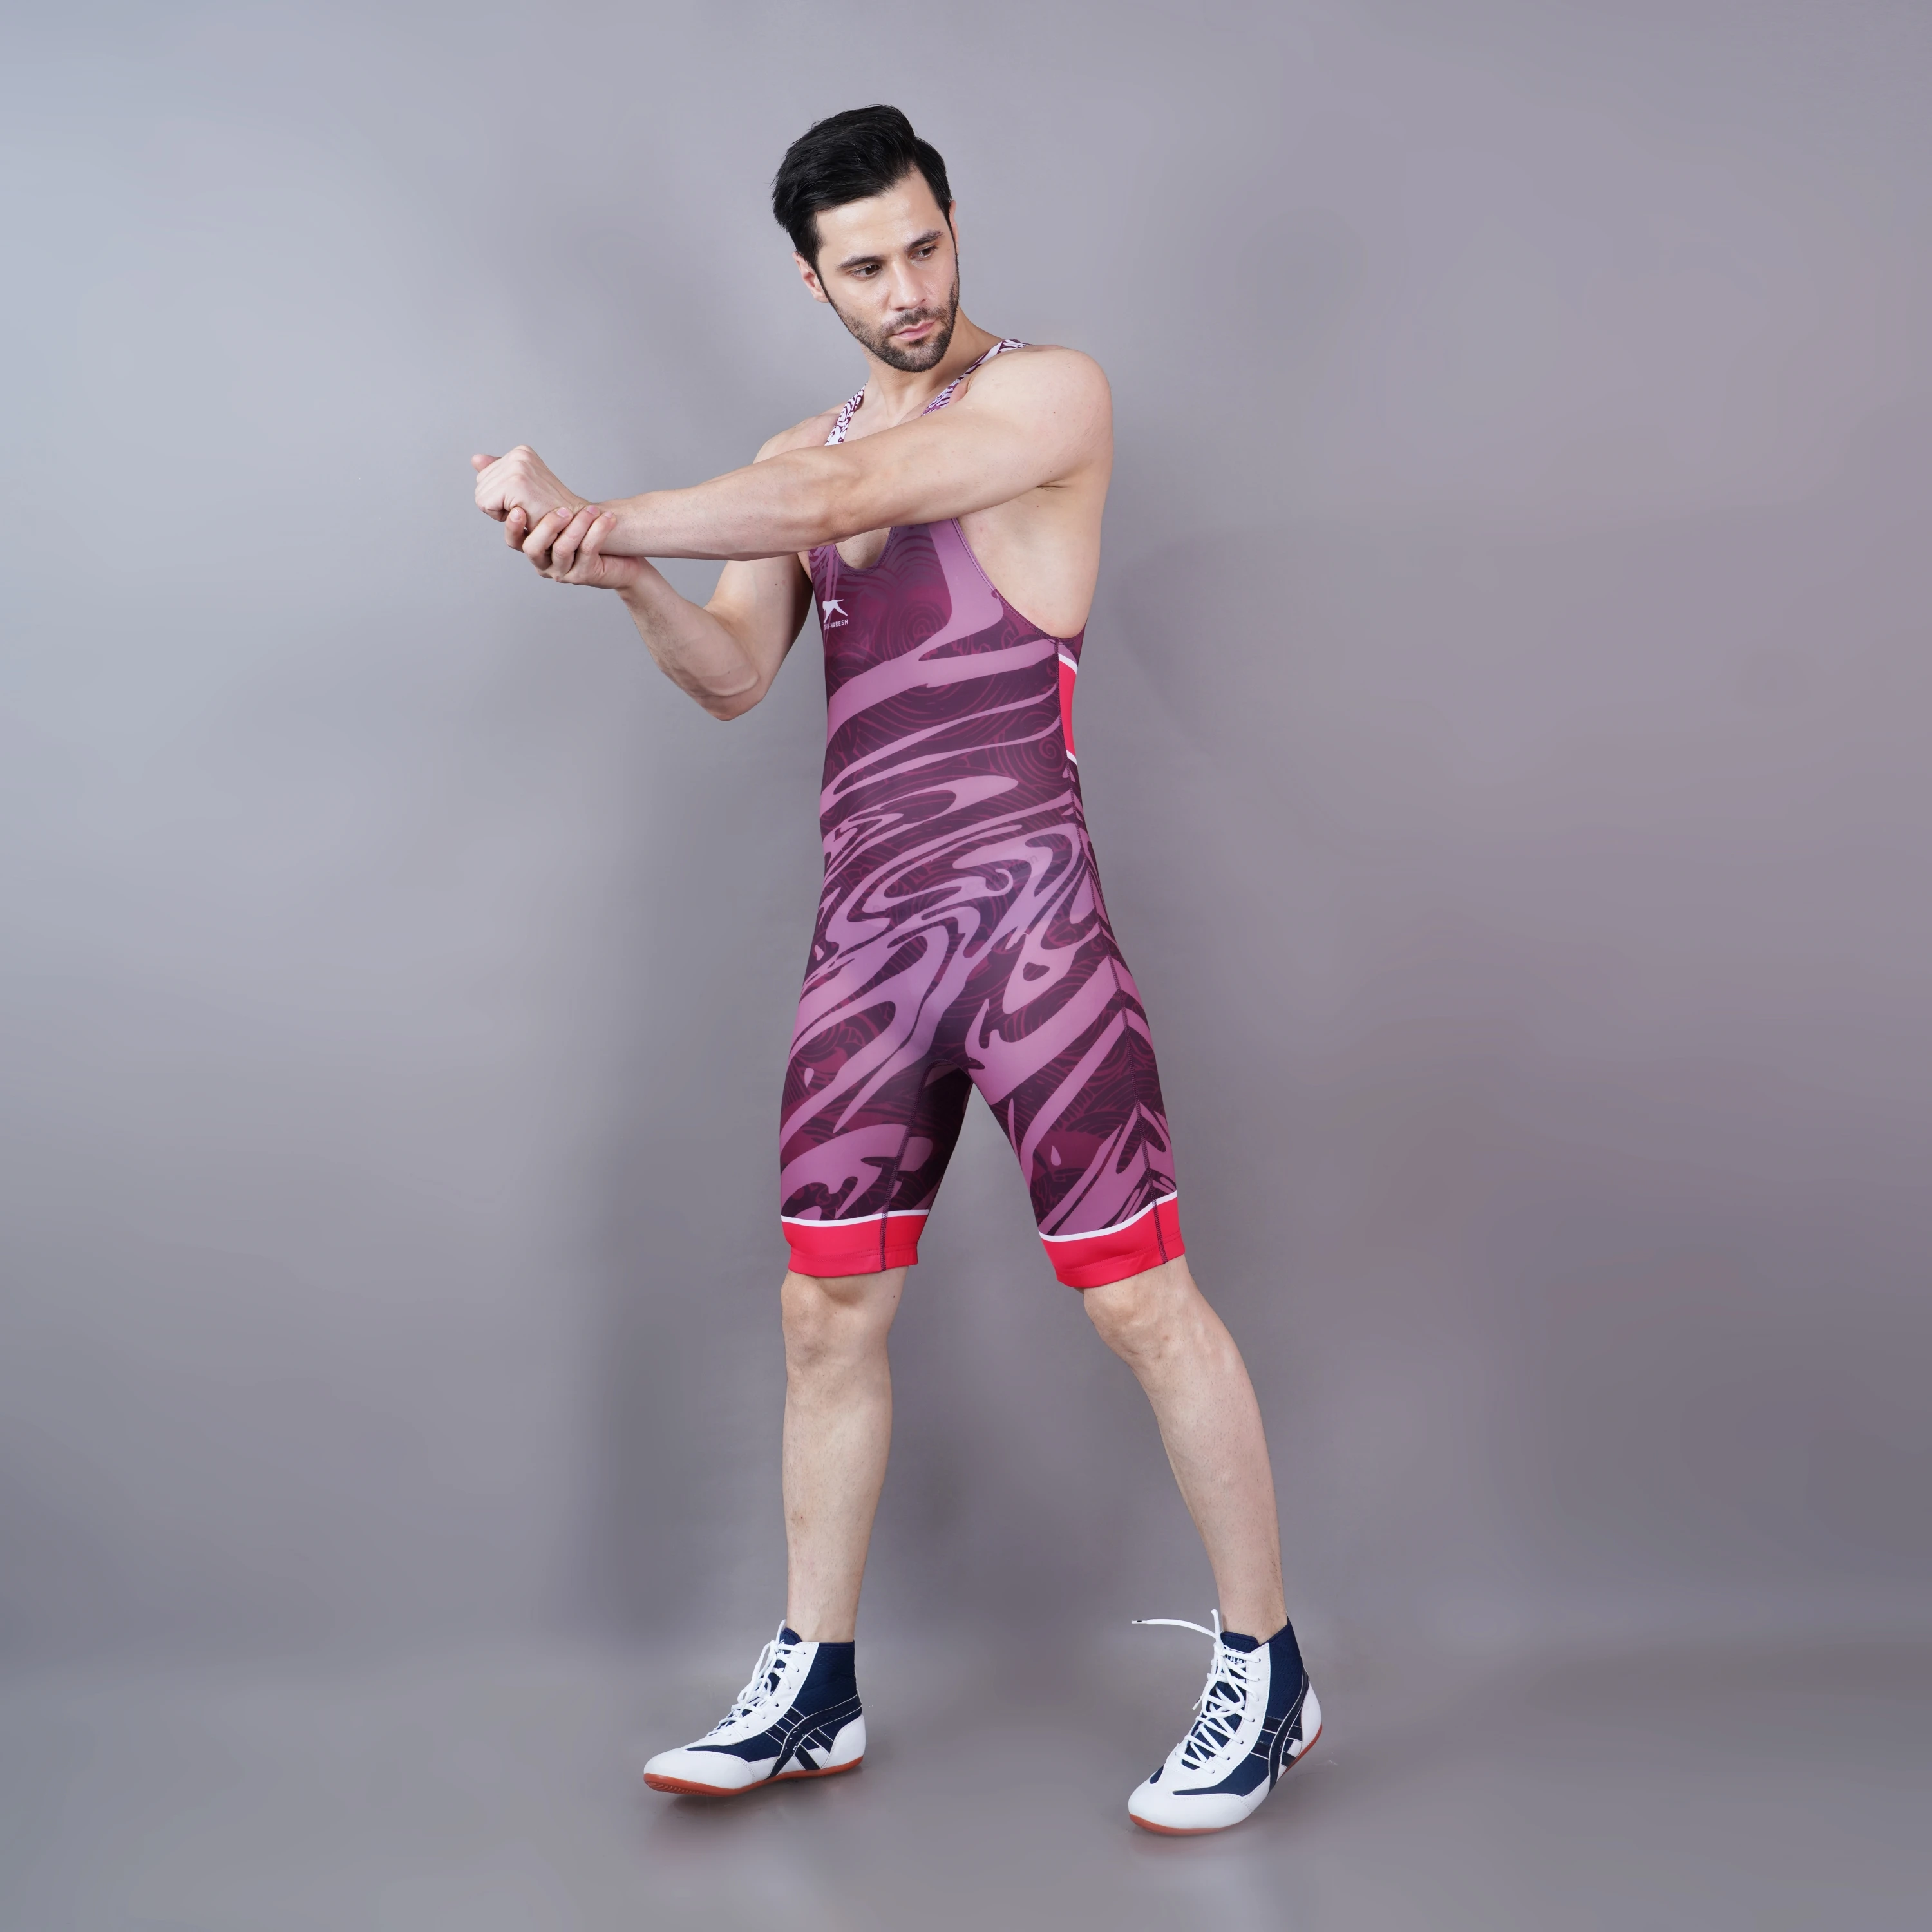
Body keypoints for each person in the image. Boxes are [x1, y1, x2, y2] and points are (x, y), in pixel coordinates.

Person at [471, 104, 1318, 1835]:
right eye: (867, 267)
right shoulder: (793, 452)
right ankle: (817, 1682)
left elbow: (855, 495)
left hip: (1030, 928)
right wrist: (617, 569)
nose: (909, 288)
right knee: (823, 1310)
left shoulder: (1047, 399)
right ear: (814, 281)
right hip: (866, 946)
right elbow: (731, 673)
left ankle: (1270, 1665)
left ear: (951, 224)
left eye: (925, 245)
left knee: (1137, 1297)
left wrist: (607, 501)